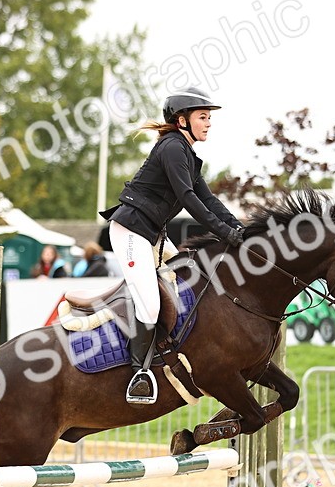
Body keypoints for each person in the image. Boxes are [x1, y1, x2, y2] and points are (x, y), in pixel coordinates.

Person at [98, 87, 245, 405]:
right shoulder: (172, 148)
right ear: (182, 120)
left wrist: (239, 230)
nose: (208, 123)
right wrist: (223, 232)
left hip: (150, 235)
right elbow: (190, 200)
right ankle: (139, 374)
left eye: (209, 118)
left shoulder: (187, 154)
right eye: (203, 117)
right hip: (131, 232)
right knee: (149, 305)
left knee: (190, 277)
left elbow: (209, 199)